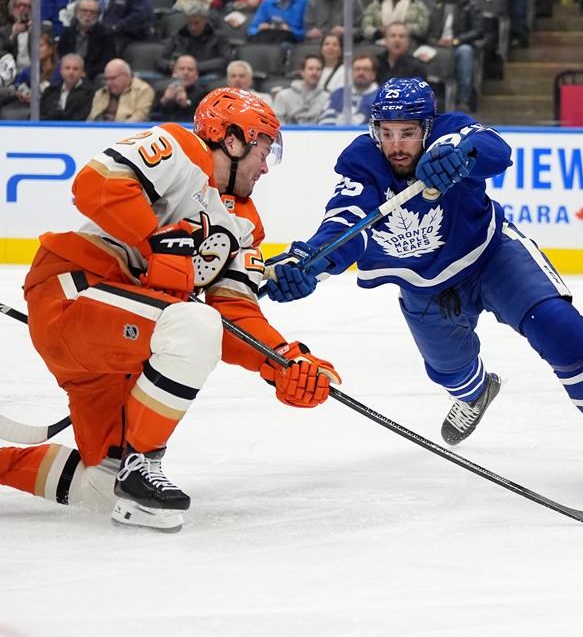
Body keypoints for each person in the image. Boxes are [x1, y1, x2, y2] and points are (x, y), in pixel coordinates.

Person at [263, 77, 583, 479]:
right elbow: (345, 222)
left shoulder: (450, 134)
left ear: (428, 128)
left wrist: (461, 153)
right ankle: (476, 393)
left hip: (492, 258)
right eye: (386, 133)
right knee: (451, 371)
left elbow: (495, 149)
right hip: (423, 286)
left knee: (559, 326)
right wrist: (312, 260)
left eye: (407, 133)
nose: (396, 146)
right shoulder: (362, 164)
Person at [0, 88, 340, 531]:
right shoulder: (181, 147)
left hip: (124, 344)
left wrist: (282, 360)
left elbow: (236, 312)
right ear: (232, 139)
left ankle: (101, 472)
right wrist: (155, 239)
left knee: (103, 486)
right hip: (74, 293)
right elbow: (94, 185)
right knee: (195, 323)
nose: (264, 166)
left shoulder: (245, 226)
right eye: (262, 149)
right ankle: (144, 465)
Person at [156, 4, 231, 83]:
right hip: (180, 77)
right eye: (189, 23)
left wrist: (195, 67)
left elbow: (225, 61)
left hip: (206, 76)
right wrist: (171, 66)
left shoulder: (219, 37)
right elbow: (160, 60)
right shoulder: (178, 36)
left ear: (205, 20)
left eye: (196, 23)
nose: (193, 27)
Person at [56, 0, 116, 81]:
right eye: (84, 11)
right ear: (76, 13)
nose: (88, 14)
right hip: (70, 72)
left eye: (92, 12)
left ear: (98, 15)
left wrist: (85, 73)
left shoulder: (106, 35)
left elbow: (107, 62)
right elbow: (62, 55)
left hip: (92, 76)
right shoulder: (67, 33)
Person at [360, 0, 430, 44]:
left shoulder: (418, 5)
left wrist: (399, 29)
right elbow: (365, 27)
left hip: (409, 43)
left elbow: (423, 28)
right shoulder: (376, 5)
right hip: (379, 42)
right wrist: (378, 31)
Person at [317, 51, 378, 125]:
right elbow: (324, 123)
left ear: (373, 74)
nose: (361, 73)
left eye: (366, 69)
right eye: (357, 69)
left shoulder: (383, 98)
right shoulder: (337, 95)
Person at [88, 57, 155, 121]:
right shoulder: (100, 93)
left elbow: (139, 118)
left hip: (128, 130)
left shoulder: (144, 91)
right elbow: (91, 119)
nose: (108, 83)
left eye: (113, 78)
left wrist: (116, 129)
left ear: (126, 76)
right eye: (106, 79)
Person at [272, 53, 329, 124]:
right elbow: (277, 124)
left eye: (318, 69)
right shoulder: (283, 96)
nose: (314, 73)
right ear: (302, 72)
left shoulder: (328, 98)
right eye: (310, 69)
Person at [151, 54, 208, 122]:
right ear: (174, 72)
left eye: (190, 69)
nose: (185, 72)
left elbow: (202, 121)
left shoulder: (204, 95)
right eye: (181, 69)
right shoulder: (161, 90)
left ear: (196, 74)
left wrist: (185, 104)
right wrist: (164, 100)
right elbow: (151, 117)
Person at [39, 52, 94, 120]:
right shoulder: (50, 91)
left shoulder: (90, 93)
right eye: (67, 68)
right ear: (61, 70)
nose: (71, 72)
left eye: (75, 69)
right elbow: (40, 115)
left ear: (82, 72)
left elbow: (82, 117)